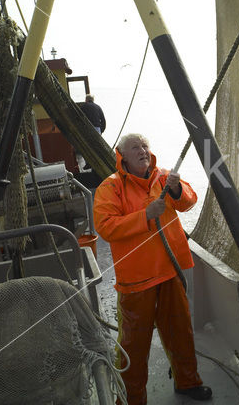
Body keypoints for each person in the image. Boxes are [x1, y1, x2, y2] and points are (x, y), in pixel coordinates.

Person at [93, 133, 211, 405]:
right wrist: (145, 215)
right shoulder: (110, 188)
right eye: (135, 147)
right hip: (136, 281)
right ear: (122, 155)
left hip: (170, 272)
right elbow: (106, 227)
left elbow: (189, 200)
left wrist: (178, 188)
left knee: (181, 332)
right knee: (134, 344)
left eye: (145, 145)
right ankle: (131, 400)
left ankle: (188, 382)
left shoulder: (164, 177)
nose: (143, 150)